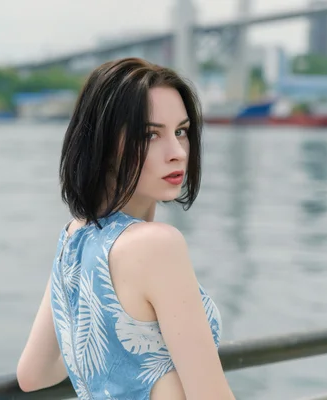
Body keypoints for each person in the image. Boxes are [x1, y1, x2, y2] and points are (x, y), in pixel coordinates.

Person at [16, 57, 235, 400]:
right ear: (103, 146)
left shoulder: (74, 237)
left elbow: (33, 374)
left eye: (181, 131)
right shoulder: (157, 246)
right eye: (150, 135)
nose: (177, 152)